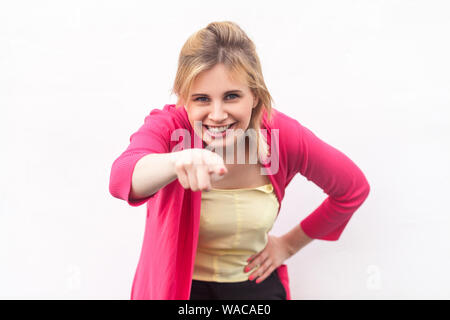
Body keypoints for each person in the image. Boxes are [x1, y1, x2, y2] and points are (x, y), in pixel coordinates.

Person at [109, 21, 370, 300]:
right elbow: (122, 177)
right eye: (202, 99)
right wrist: (176, 162)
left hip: (255, 286)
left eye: (232, 96)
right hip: (179, 290)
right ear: (184, 99)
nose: (218, 114)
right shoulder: (171, 127)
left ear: (255, 95)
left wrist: (288, 245)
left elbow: (352, 189)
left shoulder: (280, 137)